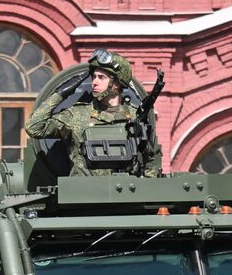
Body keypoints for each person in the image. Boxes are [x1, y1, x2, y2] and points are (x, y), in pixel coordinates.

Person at [25, 48, 161, 178]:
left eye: (101, 77)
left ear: (116, 84)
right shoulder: (77, 115)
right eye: (94, 77)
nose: (94, 82)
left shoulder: (135, 117)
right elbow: (34, 127)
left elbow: (151, 160)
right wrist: (61, 94)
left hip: (125, 194)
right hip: (83, 196)